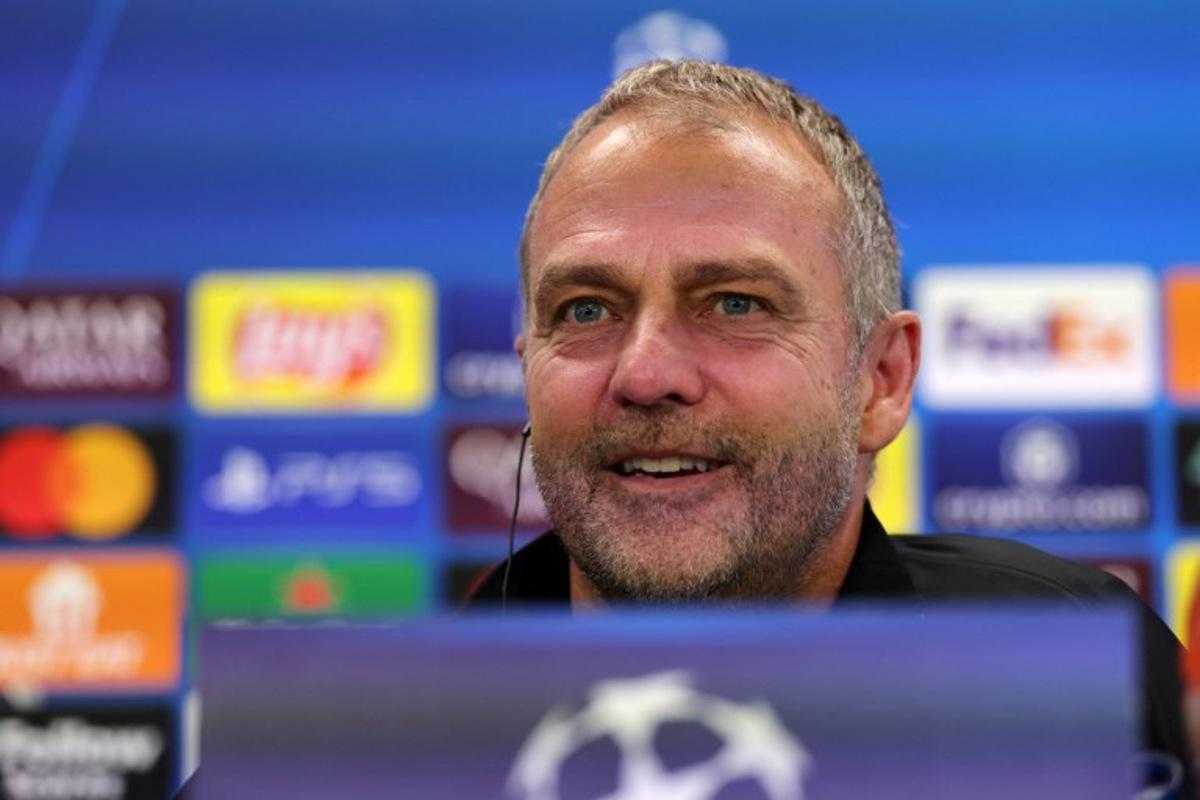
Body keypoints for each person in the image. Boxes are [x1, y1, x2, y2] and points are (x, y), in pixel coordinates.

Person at [467, 58, 1194, 793]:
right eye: (586, 310)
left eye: (735, 304)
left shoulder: (1077, 673)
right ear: (528, 371)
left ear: (881, 381)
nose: (646, 375)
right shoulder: (404, 722)